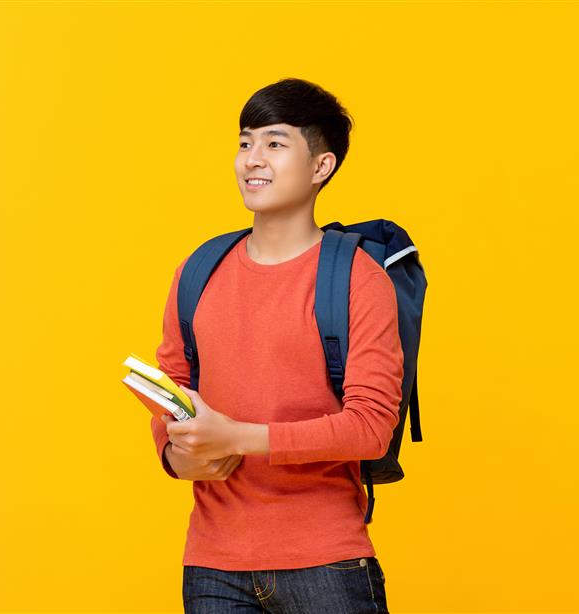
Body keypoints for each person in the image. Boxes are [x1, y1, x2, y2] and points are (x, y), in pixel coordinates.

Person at [151, 77, 401, 613]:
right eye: (245, 142)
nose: (252, 159)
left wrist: (235, 437)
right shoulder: (198, 271)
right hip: (212, 566)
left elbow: (371, 428)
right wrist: (178, 457)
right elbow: (172, 386)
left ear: (321, 167)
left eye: (275, 142)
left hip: (326, 565)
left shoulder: (357, 279)